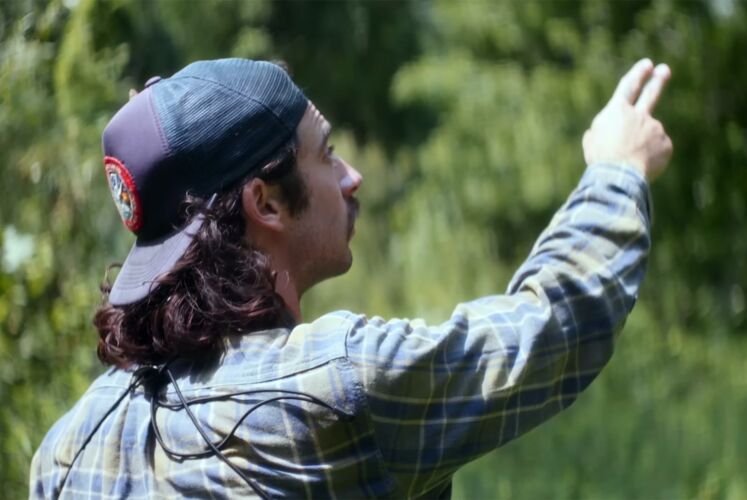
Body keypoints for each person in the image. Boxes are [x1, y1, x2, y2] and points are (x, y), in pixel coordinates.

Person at [29, 57, 672, 499]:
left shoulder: (66, 450)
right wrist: (617, 170)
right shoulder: (334, 389)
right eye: (327, 153)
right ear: (266, 203)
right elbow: (553, 330)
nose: (351, 177)